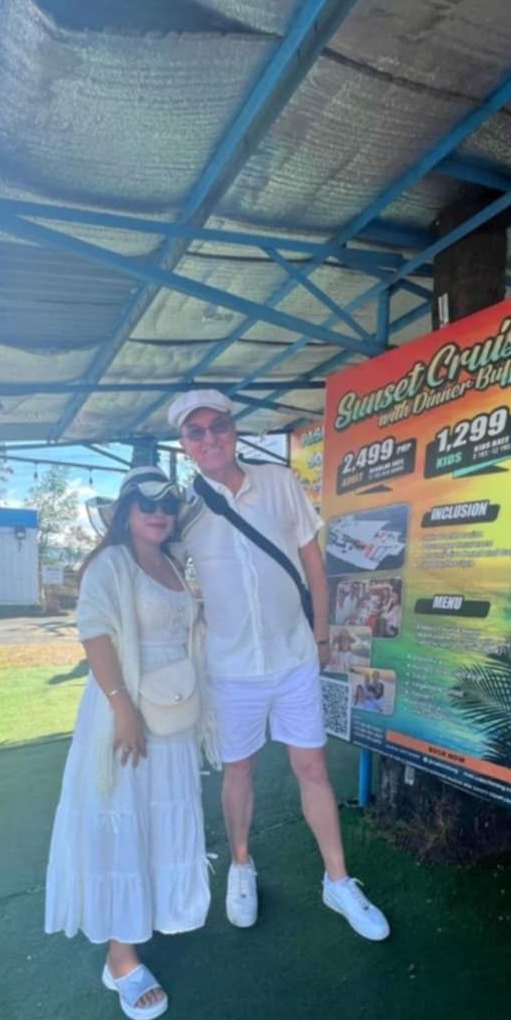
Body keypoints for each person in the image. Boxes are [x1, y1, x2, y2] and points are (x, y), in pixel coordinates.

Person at [167, 390, 389, 942]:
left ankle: (337, 881)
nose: (210, 438)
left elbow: (314, 561)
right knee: (237, 769)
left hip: (293, 656)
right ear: (184, 444)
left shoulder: (280, 482)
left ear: (234, 429)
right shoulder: (184, 508)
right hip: (231, 666)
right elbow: (161, 570)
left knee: (312, 768)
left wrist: (320, 635)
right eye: (196, 432)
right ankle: (241, 865)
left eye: (218, 426)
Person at [44, 467, 218, 1020]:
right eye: (144, 502)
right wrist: (122, 708)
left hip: (171, 714)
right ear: (124, 511)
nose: (158, 509)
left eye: (168, 500)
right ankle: (120, 958)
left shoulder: (170, 562)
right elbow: (94, 634)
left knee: (159, 819)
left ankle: (152, 914)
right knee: (125, 818)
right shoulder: (111, 563)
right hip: (125, 714)